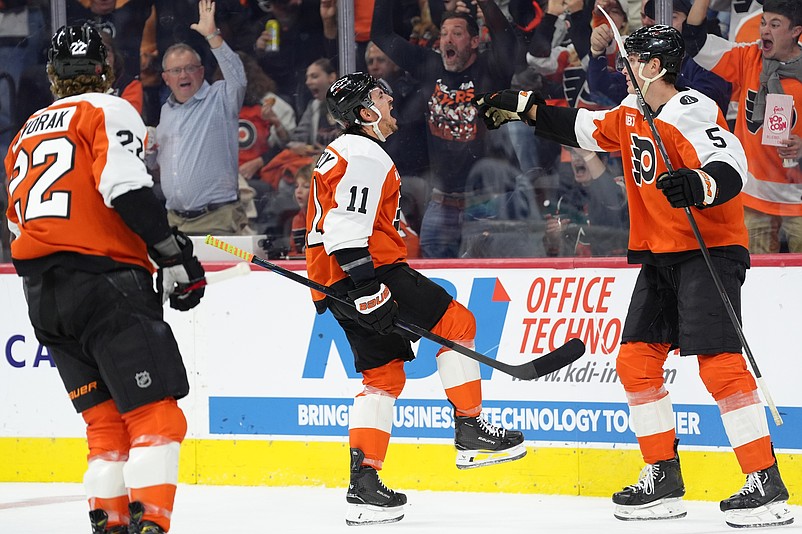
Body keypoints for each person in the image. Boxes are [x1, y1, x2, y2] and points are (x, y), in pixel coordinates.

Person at [474, 24, 794, 528]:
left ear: (655, 66)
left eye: (632, 60)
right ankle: (663, 476)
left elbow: (728, 158)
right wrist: (526, 107)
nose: (623, 69)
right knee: (636, 363)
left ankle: (765, 484)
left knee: (718, 365)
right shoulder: (629, 114)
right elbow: (583, 128)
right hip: (659, 255)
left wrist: (700, 183)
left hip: (707, 251)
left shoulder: (690, 108)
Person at [4, 24, 205, 534]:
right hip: (106, 286)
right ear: (105, 68)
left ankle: (110, 525)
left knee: (105, 426)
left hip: (41, 296)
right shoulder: (108, 107)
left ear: (52, 75)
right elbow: (125, 188)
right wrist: (172, 254)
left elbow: (15, 223)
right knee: (157, 418)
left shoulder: (26, 131)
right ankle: (152, 525)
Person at [307, 72, 526, 526]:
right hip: (370, 271)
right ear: (366, 114)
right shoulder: (365, 152)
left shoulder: (340, 152)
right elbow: (346, 231)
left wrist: (349, 289)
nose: (389, 99)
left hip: (335, 282)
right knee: (459, 324)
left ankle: (365, 483)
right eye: (379, 96)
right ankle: (469, 428)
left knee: (382, 379)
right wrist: (369, 289)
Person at [370, 0, 518, 258]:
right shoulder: (430, 65)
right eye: (444, 34)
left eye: (457, 34)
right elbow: (381, 35)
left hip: (487, 205)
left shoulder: (491, 70)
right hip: (441, 204)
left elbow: (507, 42)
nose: (447, 39)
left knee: (487, 280)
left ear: (474, 42)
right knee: (436, 285)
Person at [685, 0, 802, 253]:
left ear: (795, 31)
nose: (764, 31)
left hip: (799, 203)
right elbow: (693, 40)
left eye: (774, 24)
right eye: (762, 23)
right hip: (754, 200)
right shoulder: (748, 57)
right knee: (758, 282)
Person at [151, 0, 248, 236]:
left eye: (190, 68)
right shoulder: (166, 111)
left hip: (217, 220)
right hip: (174, 222)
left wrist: (212, 35)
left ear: (201, 71)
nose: (183, 75)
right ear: (166, 78)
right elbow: (155, 164)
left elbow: (238, 77)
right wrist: (148, 151)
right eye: (176, 71)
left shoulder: (220, 98)